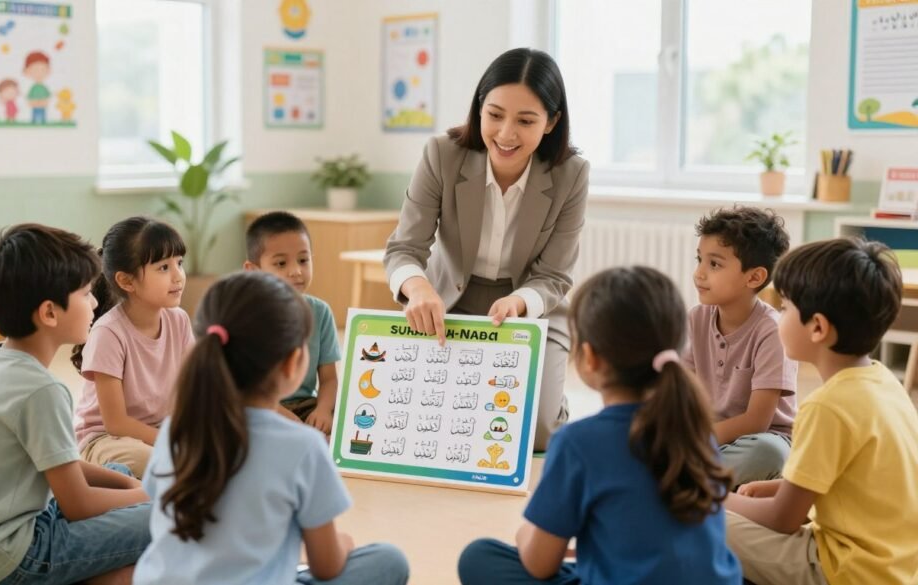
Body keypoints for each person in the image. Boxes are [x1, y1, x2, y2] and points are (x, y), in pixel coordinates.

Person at [458, 266, 741, 584]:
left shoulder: (577, 442)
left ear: (589, 357)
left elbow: (540, 565)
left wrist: (528, 532)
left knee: (480, 556)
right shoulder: (694, 427)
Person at [133, 272, 409, 585]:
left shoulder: (175, 430)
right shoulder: (303, 446)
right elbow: (327, 567)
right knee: (388, 560)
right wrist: (343, 543)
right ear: (292, 363)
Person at [384, 47, 589, 450]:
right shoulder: (442, 154)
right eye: (494, 115)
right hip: (450, 303)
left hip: (531, 309)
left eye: (526, 120)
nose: (506, 134)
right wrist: (419, 289)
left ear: (551, 122)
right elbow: (404, 248)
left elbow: (555, 275)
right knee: (429, 421)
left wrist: (519, 303)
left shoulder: (572, 174)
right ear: (479, 109)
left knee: (539, 435)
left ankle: (550, 398)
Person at [0, 224, 150, 585]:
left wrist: (135, 489)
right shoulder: (40, 390)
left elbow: (62, 464)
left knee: (122, 478)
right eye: (87, 293)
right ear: (49, 313)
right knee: (166, 518)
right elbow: (78, 505)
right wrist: (146, 496)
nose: (94, 304)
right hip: (6, 556)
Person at [725, 238, 918, 585]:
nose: (778, 316)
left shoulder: (827, 405)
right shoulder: (884, 382)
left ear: (817, 327)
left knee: (701, 520)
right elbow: (858, 480)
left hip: (843, 570)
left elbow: (783, 518)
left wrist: (716, 499)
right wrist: (775, 487)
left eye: (784, 308)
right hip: (895, 567)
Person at [72, 216, 194, 479]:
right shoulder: (108, 332)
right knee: (160, 464)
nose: (178, 276)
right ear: (127, 282)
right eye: (163, 268)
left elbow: (191, 389)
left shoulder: (179, 320)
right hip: (108, 439)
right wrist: (171, 442)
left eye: (180, 263)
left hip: (162, 428)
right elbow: (115, 423)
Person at [686, 207, 797, 486]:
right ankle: (695, 480)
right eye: (700, 260)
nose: (699, 273)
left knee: (767, 453)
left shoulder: (772, 331)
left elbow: (756, 421)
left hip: (760, 439)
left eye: (714, 264)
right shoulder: (696, 319)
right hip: (708, 441)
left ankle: (683, 481)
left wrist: (695, 441)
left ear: (754, 278)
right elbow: (681, 390)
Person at [244, 211, 340, 434]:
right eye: (280, 263)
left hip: (307, 405)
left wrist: (323, 411)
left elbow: (329, 379)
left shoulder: (320, 312)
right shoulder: (246, 317)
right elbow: (250, 391)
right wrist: (293, 424)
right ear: (253, 270)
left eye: (303, 260)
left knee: (347, 427)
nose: (296, 271)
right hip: (261, 408)